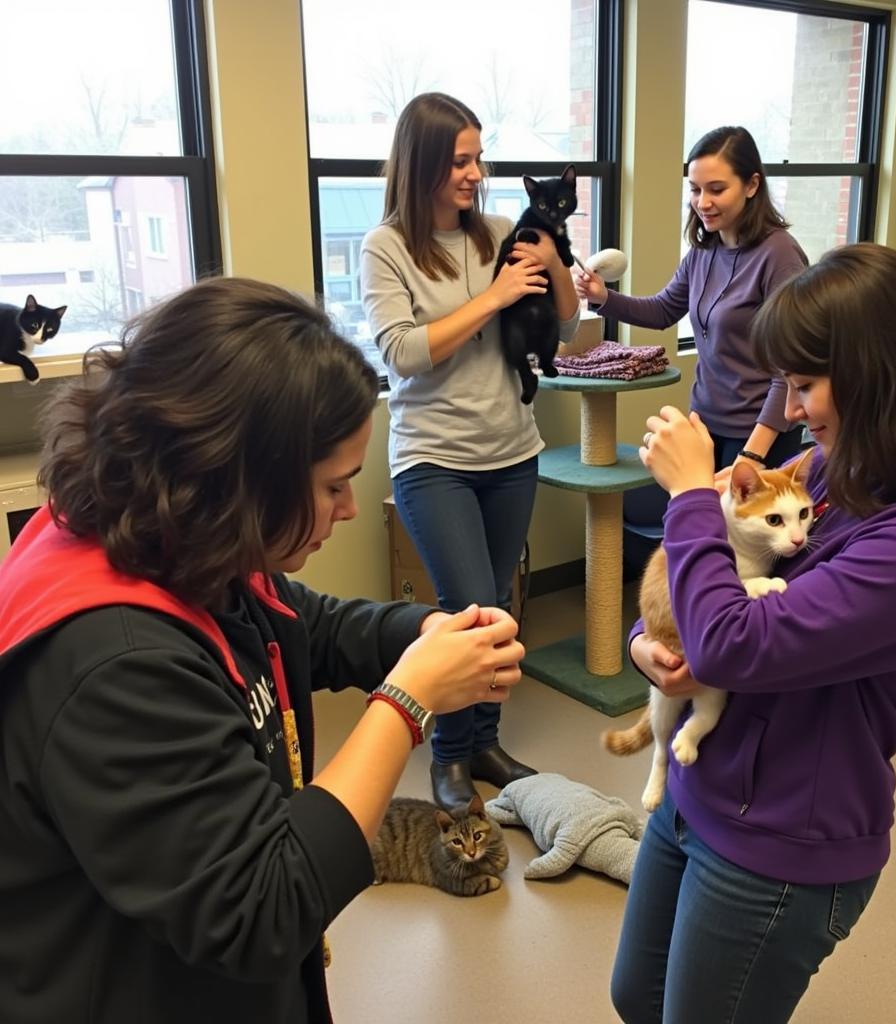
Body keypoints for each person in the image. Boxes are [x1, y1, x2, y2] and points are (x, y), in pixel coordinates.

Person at [0, 277, 525, 1024]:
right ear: (240, 477)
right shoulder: (111, 664)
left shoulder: (172, 529)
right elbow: (261, 907)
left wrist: (421, 634)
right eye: (333, 486)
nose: (349, 509)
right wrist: (407, 701)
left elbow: (292, 620)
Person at [611, 243, 896, 1024]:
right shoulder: (836, 467)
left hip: (782, 841)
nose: (789, 411)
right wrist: (646, 645)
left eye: (805, 385)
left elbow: (731, 640)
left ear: (876, 376)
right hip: (703, 781)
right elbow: (706, 586)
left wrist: (689, 491)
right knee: (636, 996)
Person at [360, 92, 580, 813]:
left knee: (500, 615)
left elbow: (568, 325)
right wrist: (493, 297)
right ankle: (449, 758)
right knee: (467, 617)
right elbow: (404, 355)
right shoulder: (385, 247)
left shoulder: (496, 231)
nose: (475, 172)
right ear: (422, 163)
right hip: (434, 461)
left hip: (512, 455)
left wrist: (554, 268)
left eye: (478, 157)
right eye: (460, 160)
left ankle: (484, 741)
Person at [575, 124, 807, 474]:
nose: (703, 203)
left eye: (716, 189)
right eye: (695, 190)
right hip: (705, 426)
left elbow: (788, 371)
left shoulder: (780, 256)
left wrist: (752, 456)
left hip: (761, 435)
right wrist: (603, 296)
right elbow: (663, 310)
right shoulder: (704, 250)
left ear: (752, 185)